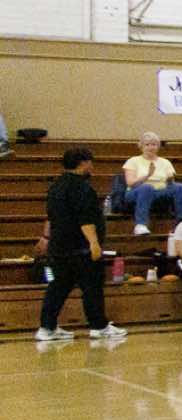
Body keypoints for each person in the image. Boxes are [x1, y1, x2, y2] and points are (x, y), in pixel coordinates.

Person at [38, 147, 123, 343]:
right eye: (90, 162)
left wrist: (46, 237)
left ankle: (47, 328)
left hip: (59, 247)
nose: (92, 166)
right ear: (84, 163)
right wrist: (94, 243)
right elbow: (86, 219)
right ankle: (98, 327)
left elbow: (51, 216)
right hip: (81, 248)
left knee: (58, 287)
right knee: (92, 287)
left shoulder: (56, 186)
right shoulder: (83, 188)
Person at [113, 133, 182, 235]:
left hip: (159, 192)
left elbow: (171, 183)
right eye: (147, 145)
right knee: (147, 188)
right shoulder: (133, 161)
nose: (150, 147)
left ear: (158, 146)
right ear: (141, 146)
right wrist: (147, 175)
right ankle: (141, 224)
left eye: (153, 144)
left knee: (179, 187)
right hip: (137, 192)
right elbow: (130, 183)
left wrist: (170, 181)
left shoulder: (165, 162)